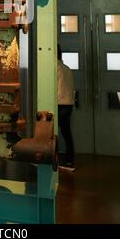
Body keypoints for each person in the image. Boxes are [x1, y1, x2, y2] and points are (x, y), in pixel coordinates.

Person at [57, 44, 75, 172]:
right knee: (66, 132)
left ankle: (50, 159)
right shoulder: (67, 68)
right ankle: (69, 160)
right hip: (68, 104)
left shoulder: (54, 67)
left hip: (59, 104)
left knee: (50, 132)